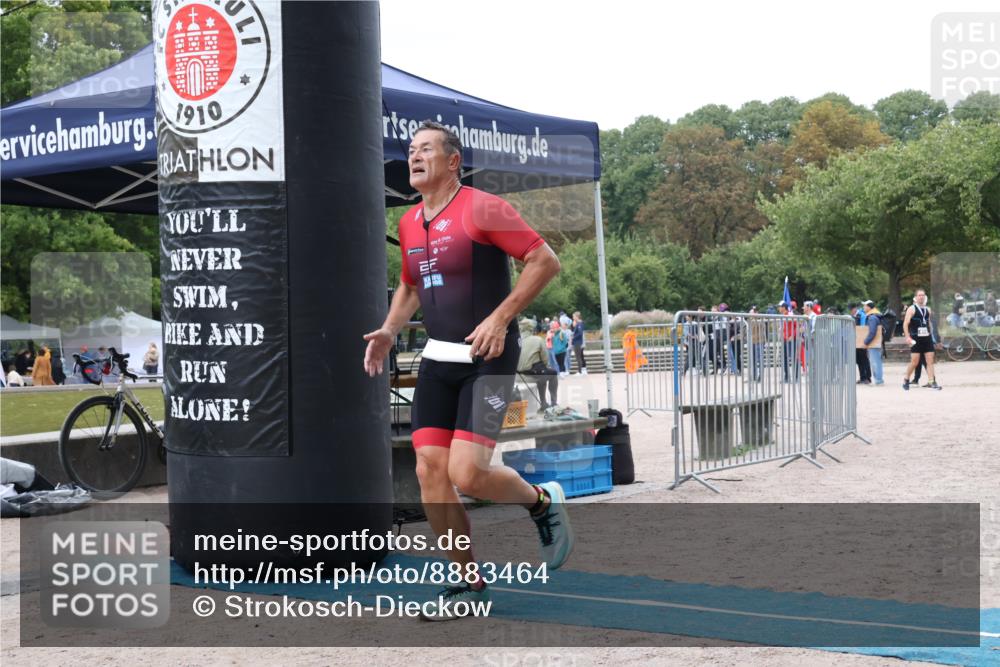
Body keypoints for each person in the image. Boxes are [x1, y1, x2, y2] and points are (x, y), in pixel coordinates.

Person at [361, 120, 569, 620]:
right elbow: (411, 285)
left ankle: (541, 501)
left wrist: (500, 317)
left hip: (489, 356)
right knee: (430, 469)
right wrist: (390, 329)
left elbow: (544, 260)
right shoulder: (411, 222)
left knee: (468, 472)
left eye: (426, 149)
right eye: (411, 150)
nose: (414, 157)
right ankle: (467, 584)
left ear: (453, 161)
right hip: (439, 357)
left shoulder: (483, 207)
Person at [902, 289, 941, 390]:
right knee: (915, 361)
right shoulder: (912, 309)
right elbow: (906, 324)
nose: (921, 297)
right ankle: (906, 378)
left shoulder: (928, 309)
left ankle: (932, 381)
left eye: (923, 295)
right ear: (916, 297)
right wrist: (907, 337)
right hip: (915, 338)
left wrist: (932, 336)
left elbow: (929, 323)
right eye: (919, 295)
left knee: (930, 361)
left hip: (926, 338)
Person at [517, 320, 558, 412]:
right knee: (551, 374)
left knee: (542, 374)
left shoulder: (516, 341)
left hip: (516, 377)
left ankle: (544, 403)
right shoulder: (537, 340)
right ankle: (551, 402)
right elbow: (545, 360)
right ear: (532, 329)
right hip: (531, 376)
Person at [861, 300, 884, 385]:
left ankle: (878, 380)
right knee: (877, 361)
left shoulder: (872, 317)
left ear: (869, 307)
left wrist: (865, 342)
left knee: (875, 362)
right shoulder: (875, 315)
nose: (864, 307)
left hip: (874, 343)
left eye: (865, 306)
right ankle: (878, 379)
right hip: (877, 343)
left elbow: (872, 332)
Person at [778, 301, 800, 383]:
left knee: (794, 358)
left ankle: (796, 377)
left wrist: (792, 336)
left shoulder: (791, 315)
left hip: (791, 339)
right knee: (784, 358)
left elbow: (797, 326)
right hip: (785, 339)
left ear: (784, 307)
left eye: (780, 307)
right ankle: (787, 376)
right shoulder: (783, 316)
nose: (778, 308)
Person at [851, 304, 872, 385]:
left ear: (855, 308)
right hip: (856, 340)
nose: (851, 311)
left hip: (862, 340)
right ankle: (862, 377)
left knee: (864, 359)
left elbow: (863, 328)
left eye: (852, 309)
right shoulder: (853, 316)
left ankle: (867, 377)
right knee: (858, 360)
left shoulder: (862, 315)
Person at [570, 311, 587, 376]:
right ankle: (581, 371)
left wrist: (573, 338)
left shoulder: (579, 324)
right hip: (577, 342)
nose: (573, 318)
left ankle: (580, 371)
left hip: (578, 342)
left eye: (574, 316)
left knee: (578, 357)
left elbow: (580, 333)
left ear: (577, 317)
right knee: (578, 357)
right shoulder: (578, 324)